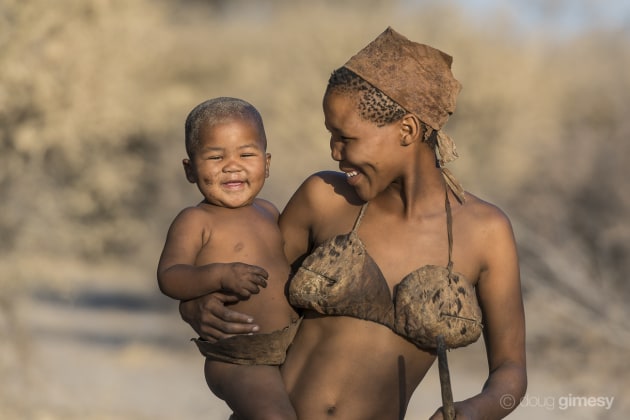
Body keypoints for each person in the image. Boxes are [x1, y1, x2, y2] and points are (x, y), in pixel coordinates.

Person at [180, 28, 527, 419]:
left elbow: (511, 374)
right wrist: (195, 305)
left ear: (407, 130)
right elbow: (244, 280)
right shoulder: (323, 199)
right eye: (331, 135)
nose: (334, 152)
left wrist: (479, 410)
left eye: (345, 137)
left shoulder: (486, 232)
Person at [157, 97, 299, 420]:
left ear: (267, 162)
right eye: (215, 157)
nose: (232, 166)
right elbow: (169, 275)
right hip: (237, 355)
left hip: (287, 345)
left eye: (246, 154)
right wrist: (218, 275)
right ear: (190, 170)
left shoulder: (269, 211)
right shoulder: (195, 220)